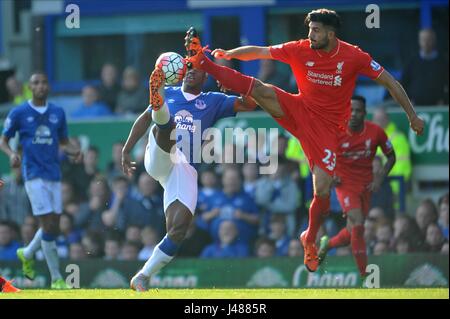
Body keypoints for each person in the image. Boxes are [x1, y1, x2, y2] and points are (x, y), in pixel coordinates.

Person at [184, 8, 424, 271]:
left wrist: (412, 116)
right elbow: (262, 51)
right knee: (260, 90)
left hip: (328, 130)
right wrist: (230, 54)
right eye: (309, 29)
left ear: (331, 34)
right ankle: (203, 62)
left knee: (322, 189)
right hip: (299, 109)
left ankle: (309, 239)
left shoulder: (354, 56)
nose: (310, 35)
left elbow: (390, 82)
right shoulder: (299, 48)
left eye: (316, 30)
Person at [121, 61, 257, 291]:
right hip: (159, 156)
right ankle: (159, 107)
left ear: (206, 77)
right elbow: (144, 120)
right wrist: (127, 149)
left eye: (197, 69)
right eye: (188, 67)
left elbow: (251, 103)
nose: (191, 71)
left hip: (184, 167)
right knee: (165, 126)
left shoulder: (214, 100)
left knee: (178, 230)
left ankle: (142, 276)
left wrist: (230, 81)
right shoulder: (171, 92)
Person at [0, 72, 81, 289]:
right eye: (36, 83)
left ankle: (26, 253)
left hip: (53, 173)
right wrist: (12, 155)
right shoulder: (19, 112)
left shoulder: (57, 112)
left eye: (44, 82)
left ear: (48, 86)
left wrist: (74, 151)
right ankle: (56, 278)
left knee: (53, 226)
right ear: (30, 87)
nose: (41, 86)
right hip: (33, 173)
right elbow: (4, 140)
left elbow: (63, 142)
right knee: (47, 223)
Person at [316, 95, 396, 281]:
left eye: (358, 110)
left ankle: (327, 245)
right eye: (350, 110)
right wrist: (330, 175)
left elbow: (391, 157)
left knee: (352, 232)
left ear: (364, 113)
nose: (353, 114)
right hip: (345, 185)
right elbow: (320, 157)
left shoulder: (376, 132)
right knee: (359, 224)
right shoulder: (335, 132)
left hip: (366, 185)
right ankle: (364, 274)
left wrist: (379, 178)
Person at [401, 28, 448, 106]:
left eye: (428, 39)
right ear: (419, 41)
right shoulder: (412, 62)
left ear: (434, 41)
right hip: (415, 107)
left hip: (438, 106)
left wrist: (444, 100)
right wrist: (408, 101)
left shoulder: (443, 62)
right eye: (423, 39)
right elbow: (403, 83)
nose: (426, 43)